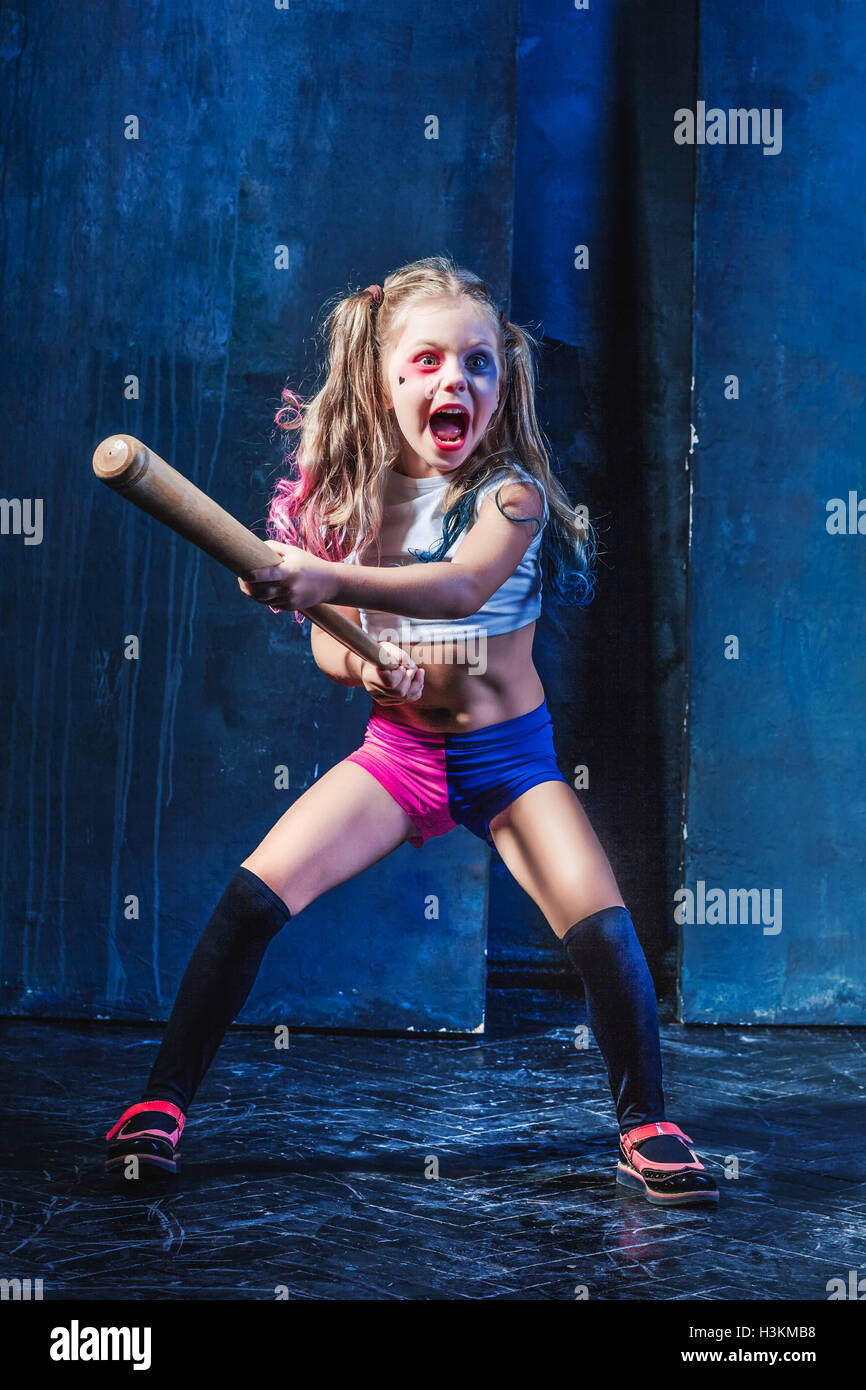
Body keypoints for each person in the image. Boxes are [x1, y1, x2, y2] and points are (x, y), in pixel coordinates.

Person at [105, 255, 717, 1207]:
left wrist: (324, 581)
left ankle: (646, 1118)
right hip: (399, 757)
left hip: (509, 763)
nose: (453, 381)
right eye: (426, 361)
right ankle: (159, 1104)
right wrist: (356, 654)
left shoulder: (509, 495)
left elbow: (461, 588)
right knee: (250, 902)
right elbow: (327, 651)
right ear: (384, 379)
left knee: (602, 931)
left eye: (477, 363)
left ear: (502, 380)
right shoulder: (357, 503)